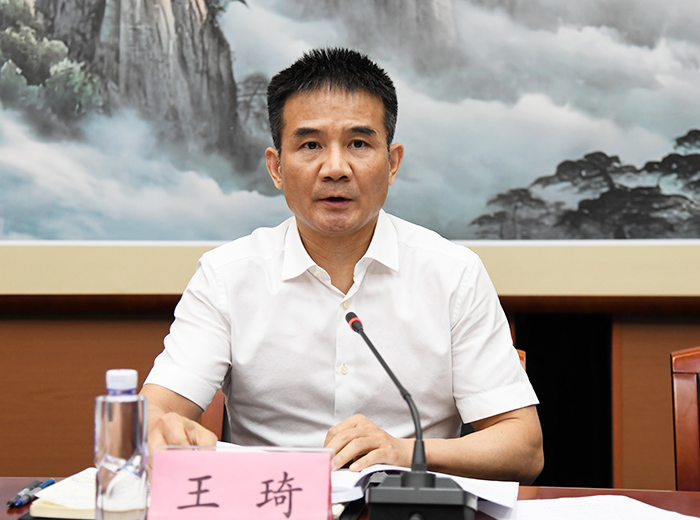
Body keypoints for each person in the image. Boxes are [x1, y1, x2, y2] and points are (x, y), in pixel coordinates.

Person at [141, 47, 544, 483]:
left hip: (407, 507)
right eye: (310, 145)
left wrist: (404, 451)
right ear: (276, 168)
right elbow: (154, 413)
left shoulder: (453, 274)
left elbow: (523, 447)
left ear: (392, 163)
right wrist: (162, 430)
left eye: (358, 144)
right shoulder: (226, 276)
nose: (335, 168)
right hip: (274, 503)